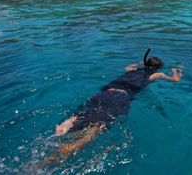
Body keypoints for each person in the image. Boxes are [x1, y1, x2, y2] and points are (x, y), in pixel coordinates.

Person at [43, 49, 183, 166]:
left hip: (104, 93)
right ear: (157, 68)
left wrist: (141, 63)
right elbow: (175, 79)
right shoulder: (155, 74)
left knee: (83, 113)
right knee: (98, 126)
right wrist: (178, 70)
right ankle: (73, 146)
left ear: (145, 64)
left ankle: (65, 125)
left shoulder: (132, 70)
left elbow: (128, 66)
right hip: (120, 97)